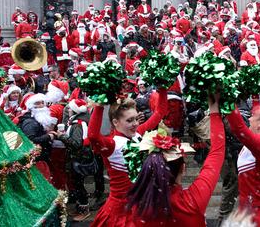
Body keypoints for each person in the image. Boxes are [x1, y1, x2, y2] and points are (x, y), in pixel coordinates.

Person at [128, 93, 225, 226]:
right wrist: (214, 110)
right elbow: (217, 152)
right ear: (183, 168)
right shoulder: (194, 200)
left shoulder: (137, 207)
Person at [87, 87, 169, 226]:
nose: (136, 124)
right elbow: (93, 136)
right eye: (130, 120)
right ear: (115, 122)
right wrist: (99, 105)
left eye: (136, 119)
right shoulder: (112, 144)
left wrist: (162, 87)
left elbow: (160, 112)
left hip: (143, 203)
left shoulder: (138, 133)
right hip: (120, 211)